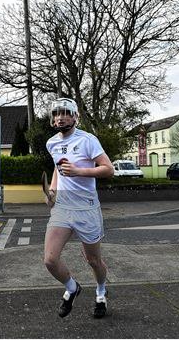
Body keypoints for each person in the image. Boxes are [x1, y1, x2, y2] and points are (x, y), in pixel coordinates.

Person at [44, 97, 114, 319]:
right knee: (50, 259)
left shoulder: (88, 140)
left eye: (65, 112)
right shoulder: (51, 143)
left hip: (86, 206)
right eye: (56, 113)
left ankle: (101, 292)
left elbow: (108, 169)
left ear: (75, 116)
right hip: (63, 206)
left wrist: (79, 171)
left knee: (93, 260)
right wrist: (53, 192)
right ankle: (72, 288)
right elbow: (57, 169)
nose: (60, 117)